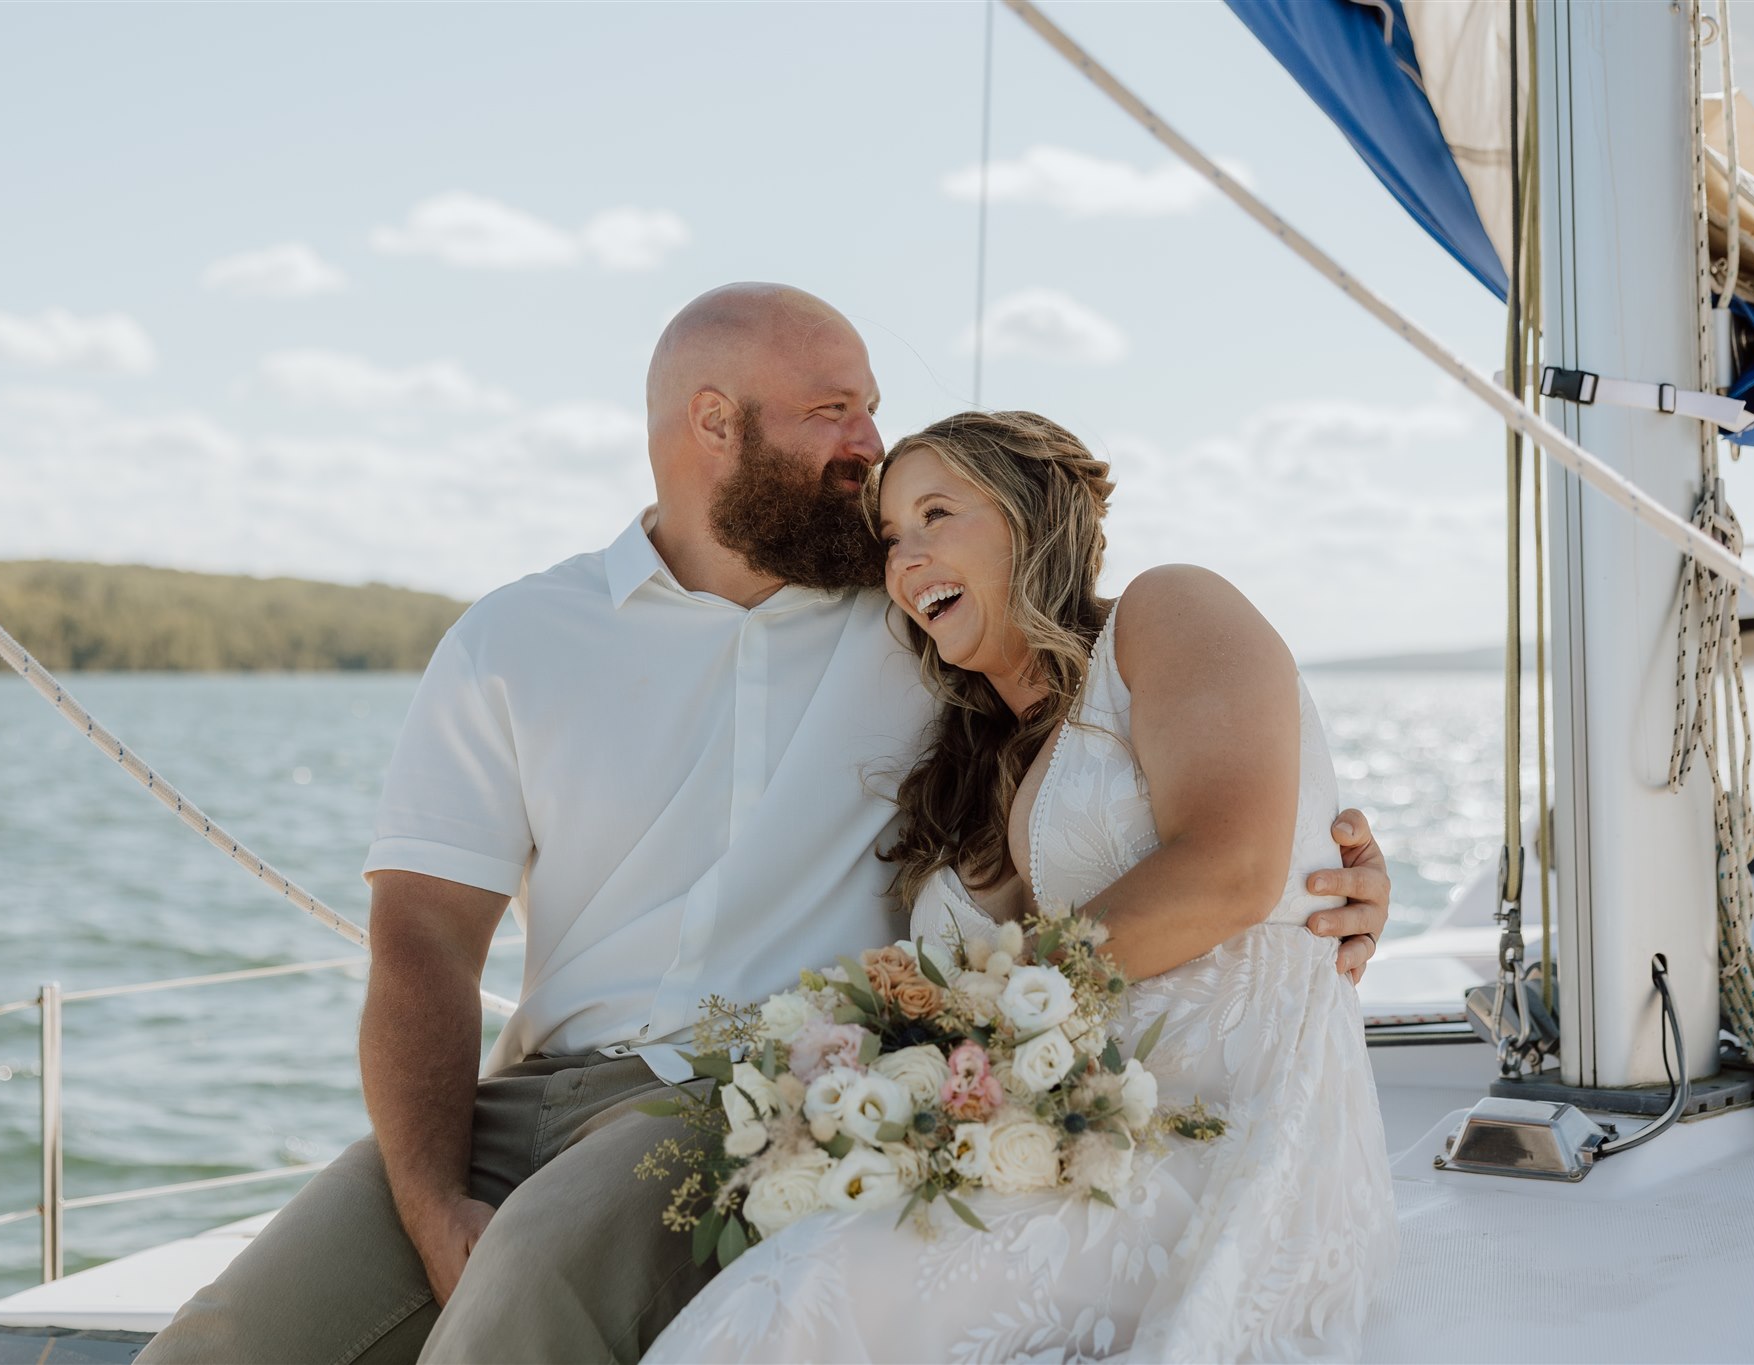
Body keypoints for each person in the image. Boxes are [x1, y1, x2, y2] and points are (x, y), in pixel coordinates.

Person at [139, 286, 1391, 1365]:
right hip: (524, 1087)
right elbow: (419, 941)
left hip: (737, 1090)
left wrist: (1309, 875)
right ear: (713, 424)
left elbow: (1126, 738)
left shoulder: (923, 630)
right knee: (230, 1339)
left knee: (524, 1294)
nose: (869, 445)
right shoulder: (515, 640)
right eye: (832, 411)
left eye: (875, 415)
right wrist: (427, 1198)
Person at [645, 410, 1398, 1363]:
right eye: (890, 538)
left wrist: (967, 1029)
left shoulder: (1168, 611)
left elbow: (1235, 868)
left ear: (1030, 516)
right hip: (1068, 1130)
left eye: (937, 513)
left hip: (1236, 1128)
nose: (908, 557)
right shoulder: (972, 757)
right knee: (794, 1274)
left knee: (811, 1298)